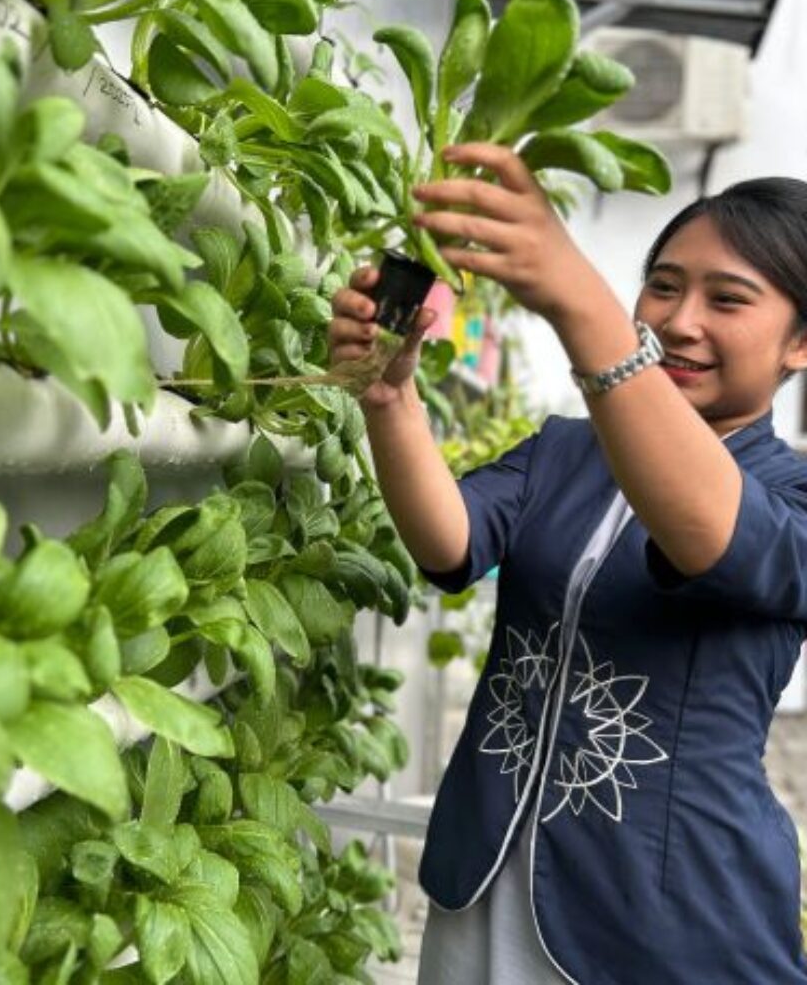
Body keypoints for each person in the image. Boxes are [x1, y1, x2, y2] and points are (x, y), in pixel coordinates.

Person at [329, 142, 807, 984]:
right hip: (486, 869)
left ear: (799, 345)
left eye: (728, 299)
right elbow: (451, 544)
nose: (680, 320)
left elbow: (707, 532)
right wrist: (390, 398)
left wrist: (583, 311)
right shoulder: (564, 450)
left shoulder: (792, 494)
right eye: (663, 286)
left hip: (666, 918)